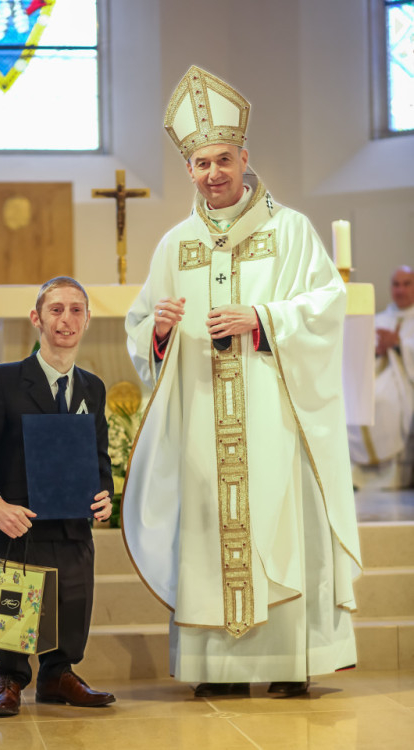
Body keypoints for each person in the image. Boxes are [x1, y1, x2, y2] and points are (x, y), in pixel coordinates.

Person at [122, 66, 361, 698]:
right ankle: (220, 671)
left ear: (244, 158)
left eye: (223, 160)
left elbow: (325, 306)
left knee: (279, 528)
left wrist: (261, 319)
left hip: (273, 418)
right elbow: (140, 324)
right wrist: (159, 332)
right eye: (201, 164)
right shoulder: (175, 245)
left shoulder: (290, 231)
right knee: (208, 531)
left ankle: (287, 663)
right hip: (203, 423)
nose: (213, 173)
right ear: (190, 169)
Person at [0, 276, 115, 716]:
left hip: (71, 525)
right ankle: (9, 678)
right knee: (13, 606)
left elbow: (98, 457)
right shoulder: (5, 381)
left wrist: (104, 494)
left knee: (73, 600)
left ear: (87, 319)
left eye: (76, 310)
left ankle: (57, 676)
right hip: (19, 525)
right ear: (37, 318)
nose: (66, 319)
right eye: (56, 309)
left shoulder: (92, 388)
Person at [348, 265, 414, 489]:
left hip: (405, 382)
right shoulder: (379, 319)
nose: (400, 290)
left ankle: (391, 477)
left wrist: (398, 344)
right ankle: (359, 475)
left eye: (406, 284)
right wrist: (376, 349)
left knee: (385, 403)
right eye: (396, 284)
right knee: (358, 402)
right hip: (378, 377)